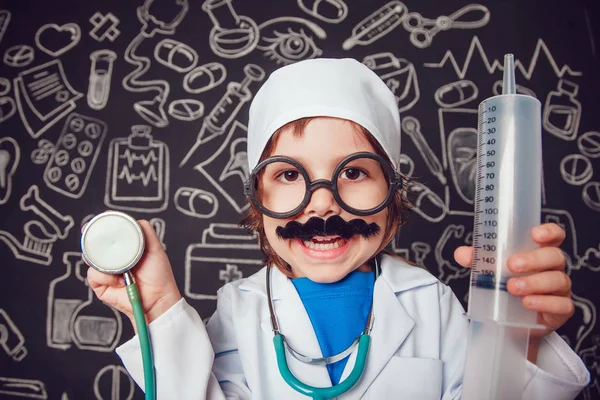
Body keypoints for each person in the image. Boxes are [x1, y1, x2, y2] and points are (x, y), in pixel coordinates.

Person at [85, 58, 590, 399]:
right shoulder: (237, 312)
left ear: (393, 199)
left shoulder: (430, 305)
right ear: (259, 204)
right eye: (288, 175)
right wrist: (158, 312)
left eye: (353, 172)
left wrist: (519, 341)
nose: (322, 202)